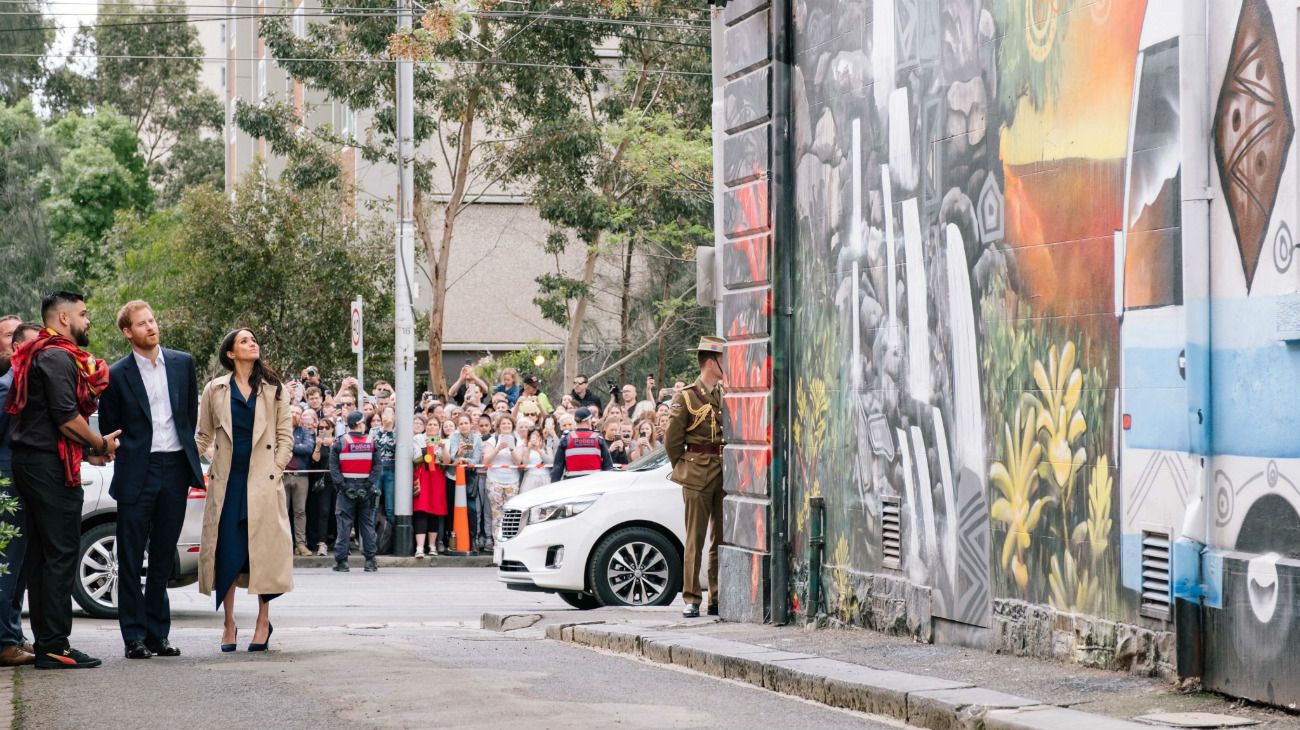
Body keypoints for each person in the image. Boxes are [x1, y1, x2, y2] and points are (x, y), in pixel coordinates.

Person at [5, 292, 119, 669]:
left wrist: (88, 450)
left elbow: (46, 420)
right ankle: (55, 646)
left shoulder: (40, 354)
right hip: (47, 468)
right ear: (65, 318)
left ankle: (48, 643)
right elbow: (66, 418)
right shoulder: (55, 356)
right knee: (60, 553)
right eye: (83, 314)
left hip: (37, 463)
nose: (88, 321)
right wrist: (99, 442)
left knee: (42, 557)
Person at [97, 301, 205, 659]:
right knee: (130, 557)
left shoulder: (182, 363)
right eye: (142, 324)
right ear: (128, 332)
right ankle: (134, 637)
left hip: (174, 468)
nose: (151, 327)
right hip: (136, 472)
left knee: (162, 556)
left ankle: (159, 633)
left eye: (152, 320)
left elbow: (187, 416)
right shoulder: (115, 374)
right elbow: (112, 426)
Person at [195, 328, 295, 652]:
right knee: (227, 552)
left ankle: (263, 621)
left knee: (262, 554)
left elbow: (285, 438)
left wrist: (274, 471)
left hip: (262, 483)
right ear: (230, 353)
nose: (252, 344)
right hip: (228, 481)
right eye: (244, 341)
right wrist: (187, 459)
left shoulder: (274, 390)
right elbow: (202, 437)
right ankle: (229, 622)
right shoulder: (215, 390)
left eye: (254, 340)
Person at [665, 336, 727, 618]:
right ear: (712, 362)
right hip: (697, 472)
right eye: (723, 359)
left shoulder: (724, 394)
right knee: (696, 538)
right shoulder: (687, 396)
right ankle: (692, 597)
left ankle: (716, 596)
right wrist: (685, 467)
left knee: (721, 540)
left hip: (723, 471)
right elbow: (672, 441)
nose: (726, 365)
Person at [0, 320, 38, 667]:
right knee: (7, 566)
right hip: (7, 483)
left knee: (19, 567)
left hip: (22, 484)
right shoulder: (7, 386)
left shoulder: (26, 384)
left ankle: (12, 636)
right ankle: (3, 641)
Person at [331, 410, 382, 572]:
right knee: (367, 525)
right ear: (360, 424)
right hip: (366, 489)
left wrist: (343, 487)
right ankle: (370, 561)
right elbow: (377, 466)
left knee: (344, 525)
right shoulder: (372, 441)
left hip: (347, 489)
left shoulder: (340, 442)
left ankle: (342, 562)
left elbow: (333, 468)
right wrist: (368, 485)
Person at [412, 417, 447, 556]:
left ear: (439, 427)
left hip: (437, 476)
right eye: (430, 424)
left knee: (435, 510)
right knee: (421, 509)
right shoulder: (418, 439)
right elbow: (416, 458)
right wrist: (428, 449)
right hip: (422, 474)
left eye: (435, 425)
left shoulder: (443, 441)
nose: (432, 427)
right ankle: (419, 548)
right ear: (426, 426)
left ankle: (432, 545)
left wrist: (443, 448)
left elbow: (445, 461)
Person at [482, 415, 522, 537]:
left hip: (512, 481)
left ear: (513, 426)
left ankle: (510, 539)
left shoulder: (517, 441)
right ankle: (497, 541)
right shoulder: (492, 440)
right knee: (496, 513)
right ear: (498, 426)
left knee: (511, 512)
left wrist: (511, 448)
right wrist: (498, 449)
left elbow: (518, 462)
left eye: (509, 424)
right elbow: (486, 462)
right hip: (495, 481)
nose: (506, 426)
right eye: (503, 423)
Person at [549, 407, 613, 482]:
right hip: (594, 484)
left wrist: (554, 486)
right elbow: (608, 466)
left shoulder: (566, 439)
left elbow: (558, 468)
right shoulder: (598, 439)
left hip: (572, 485)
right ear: (588, 421)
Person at [284, 405, 315, 556]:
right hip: (281, 476)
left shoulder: (305, 432)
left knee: (300, 511)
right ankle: (282, 544)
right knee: (282, 512)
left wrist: (288, 446)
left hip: (301, 476)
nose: (294, 415)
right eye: (292, 412)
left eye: (297, 413)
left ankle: (301, 544)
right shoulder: (279, 430)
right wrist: (296, 447)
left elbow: (308, 449)